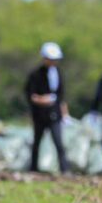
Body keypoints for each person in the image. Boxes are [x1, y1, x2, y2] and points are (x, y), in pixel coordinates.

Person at [25, 42, 70, 174]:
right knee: (37, 142)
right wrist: (41, 100)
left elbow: (61, 96)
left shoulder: (58, 73)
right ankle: (33, 168)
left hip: (54, 113)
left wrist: (65, 112)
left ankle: (65, 169)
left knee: (59, 142)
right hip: (39, 115)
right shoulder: (35, 75)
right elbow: (30, 95)